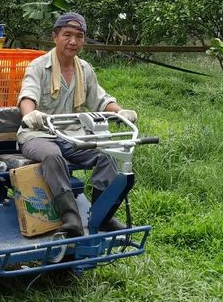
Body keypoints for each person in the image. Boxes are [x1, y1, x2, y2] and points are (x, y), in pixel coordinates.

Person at [17, 12, 138, 237]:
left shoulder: (84, 70)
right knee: (53, 156)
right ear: (55, 37)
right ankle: (70, 215)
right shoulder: (38, 67)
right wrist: (30, 114)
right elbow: (28, 94)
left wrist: (120, 111)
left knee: (109, 153)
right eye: (67, 35)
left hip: (73, 134)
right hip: (39, 134)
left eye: (79, 36)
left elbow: (101, 100)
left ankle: (102, 216)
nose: (73, 41)